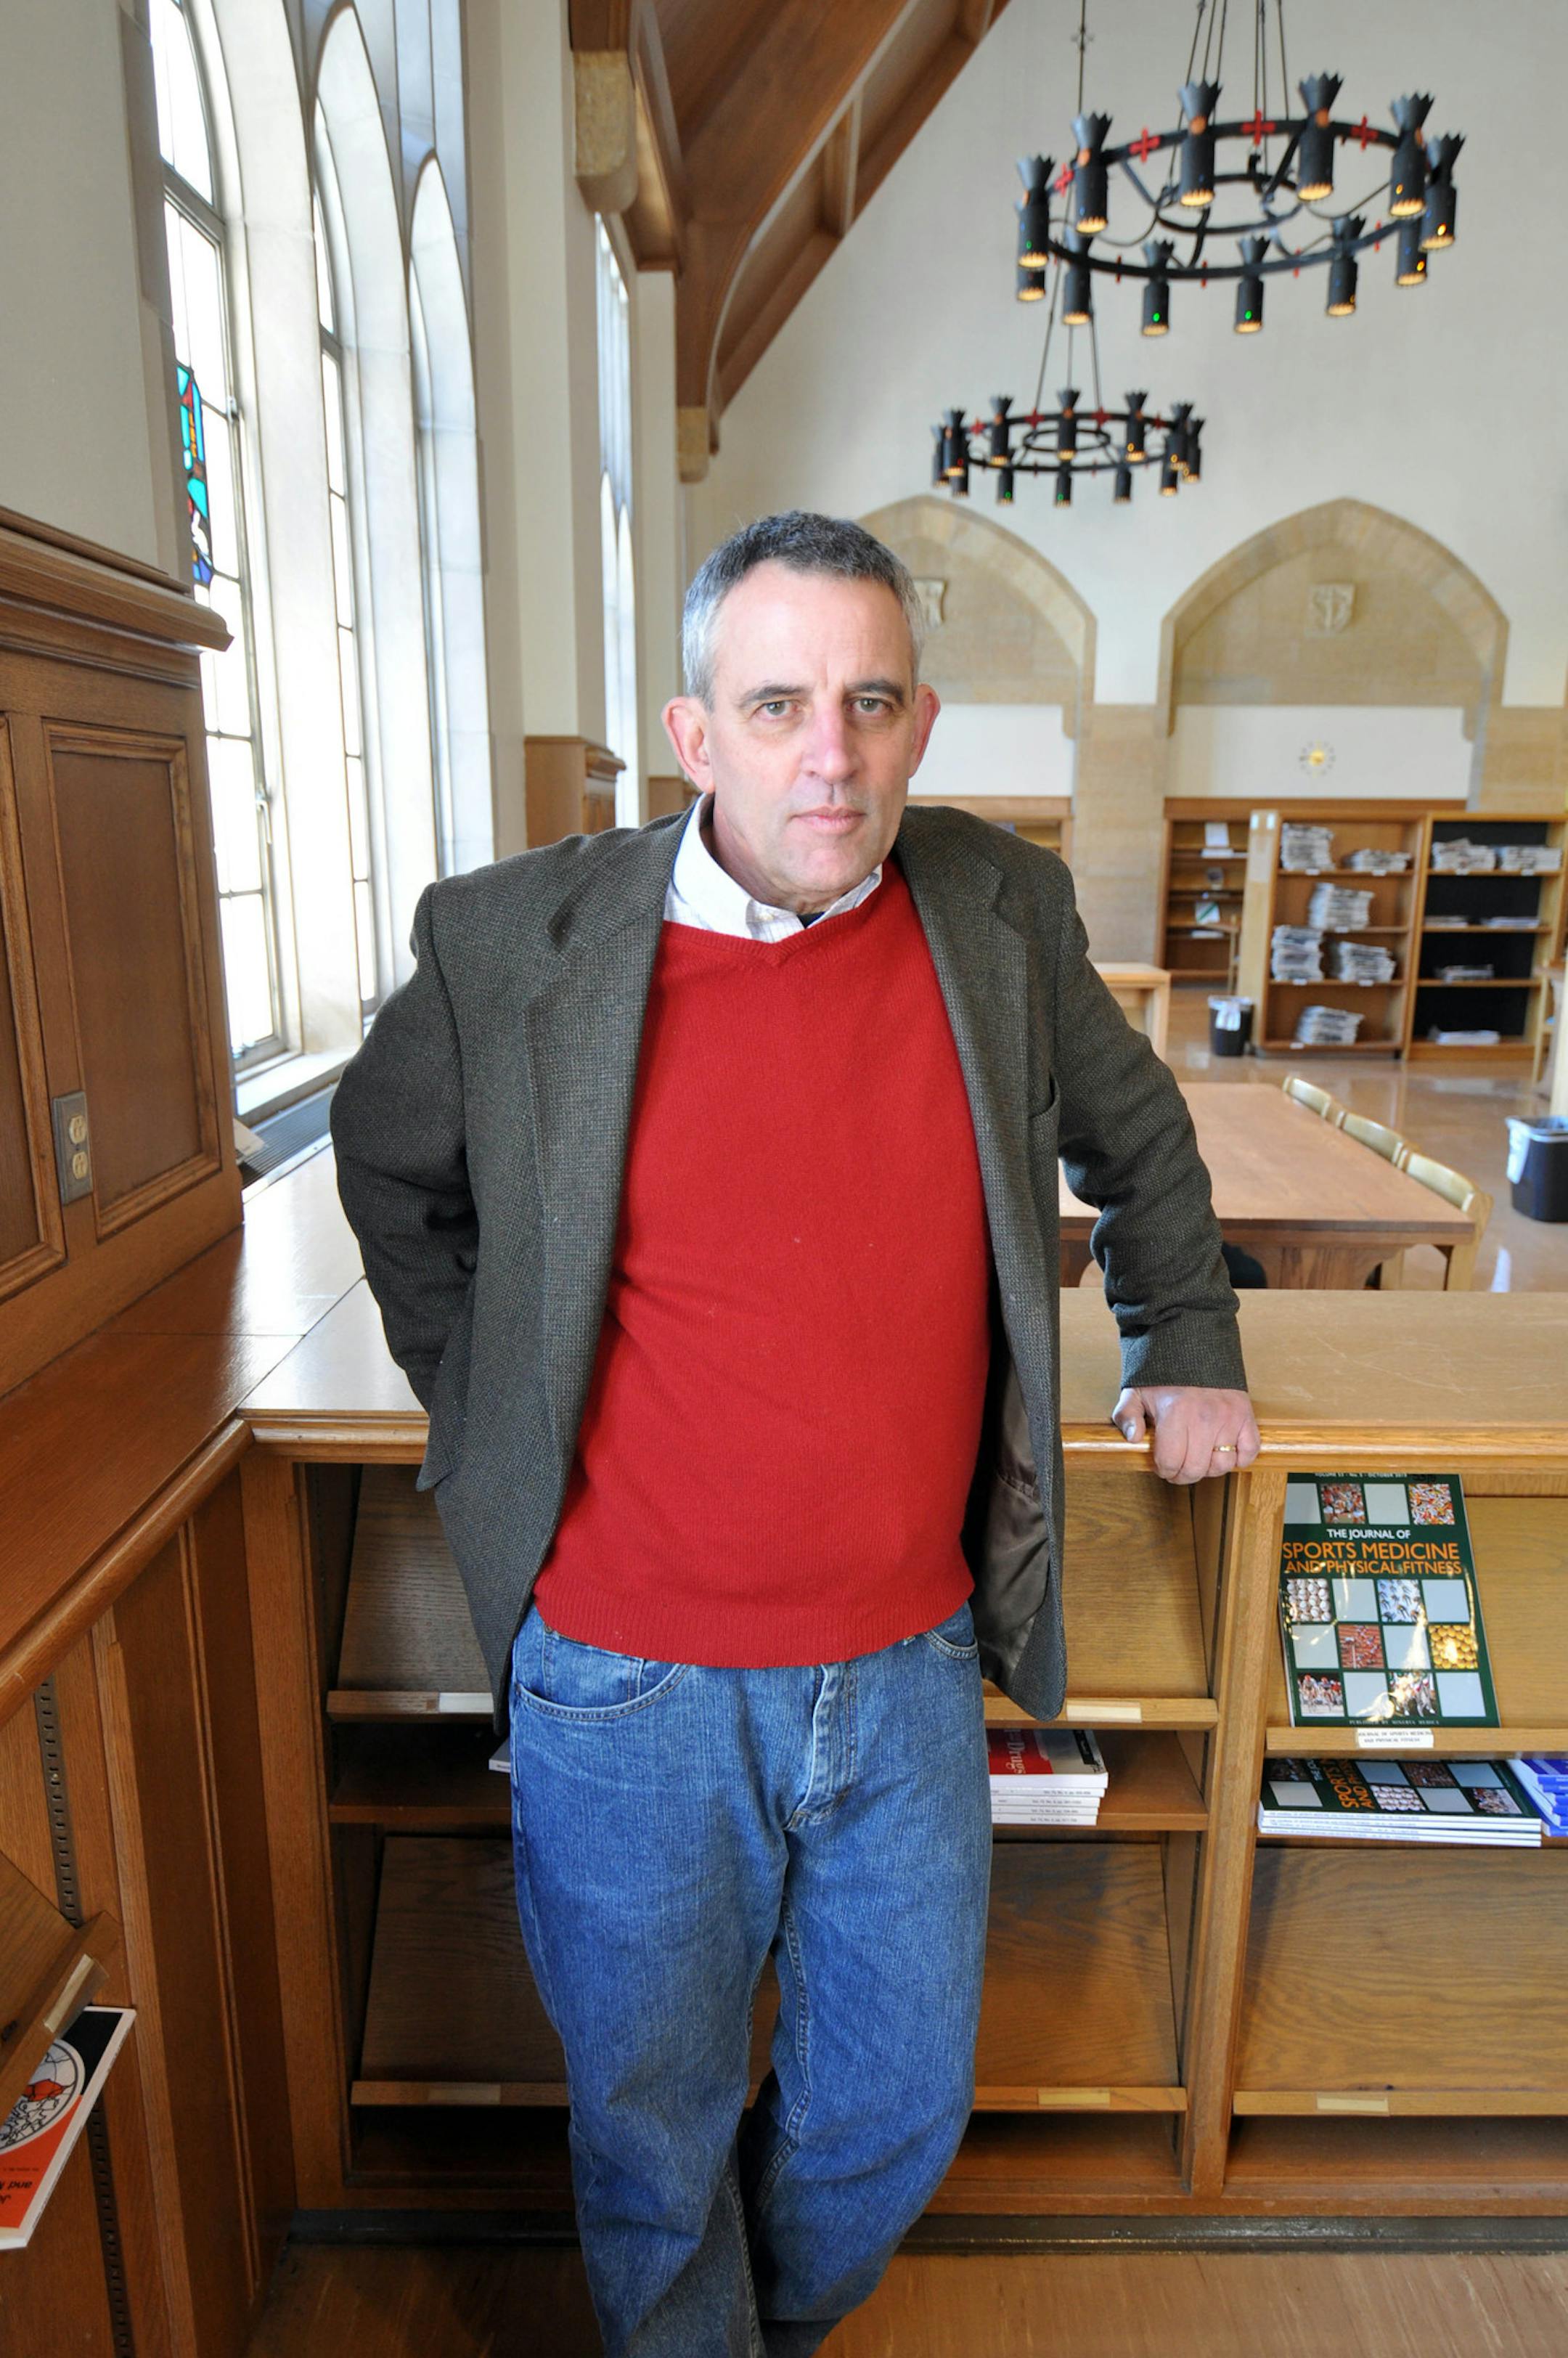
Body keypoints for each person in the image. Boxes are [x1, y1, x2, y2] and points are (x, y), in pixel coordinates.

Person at [330, 510, 1259, 2357]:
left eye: (869, 702)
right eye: (776, 704)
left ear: (922, 723)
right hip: (625, 1680)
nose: (825, 753)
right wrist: (490, 1397)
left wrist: (1190, 1329)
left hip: (909, 1665)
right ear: (695, 733)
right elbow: (389, 1170)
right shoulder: (516, 941)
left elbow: (1138, 1143)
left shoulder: (997, 912)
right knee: (652, 2130)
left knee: (892, 2114)